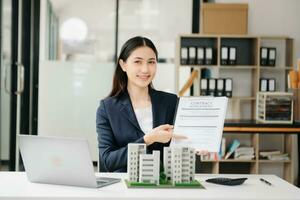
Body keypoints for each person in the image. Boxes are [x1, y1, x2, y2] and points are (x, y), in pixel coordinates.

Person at [96, 36, 185, 172]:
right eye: (138, 62)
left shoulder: (171, 102)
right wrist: (147, 140)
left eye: (151, 62)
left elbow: (180, 145)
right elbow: (107, 161)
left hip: (162, 186)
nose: (145, 69)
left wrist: (198, 146)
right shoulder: (108, 108)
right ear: (123, 65)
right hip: (123, 188)